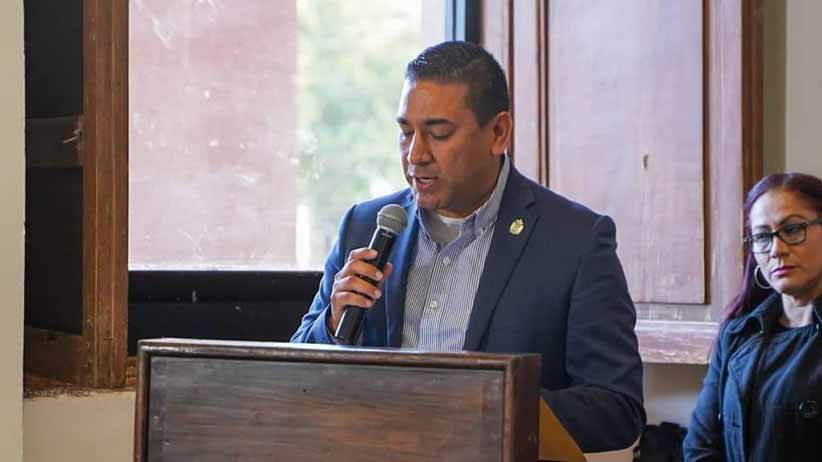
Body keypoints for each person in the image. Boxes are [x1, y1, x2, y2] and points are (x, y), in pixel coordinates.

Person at [291, 40, 644, 452]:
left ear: (498, 133)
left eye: (438, 134)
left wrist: (483, 406)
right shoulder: (365, 225)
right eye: (405, 133)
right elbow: (291, 378)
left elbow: (616, 409)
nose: (415, 155)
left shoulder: (576, 241)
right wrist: (333, 322)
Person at [685, 173, 822, 461]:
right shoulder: (738, 334)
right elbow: (700, 445)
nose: (776, 249)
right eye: (762, 236)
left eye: (792, 229)